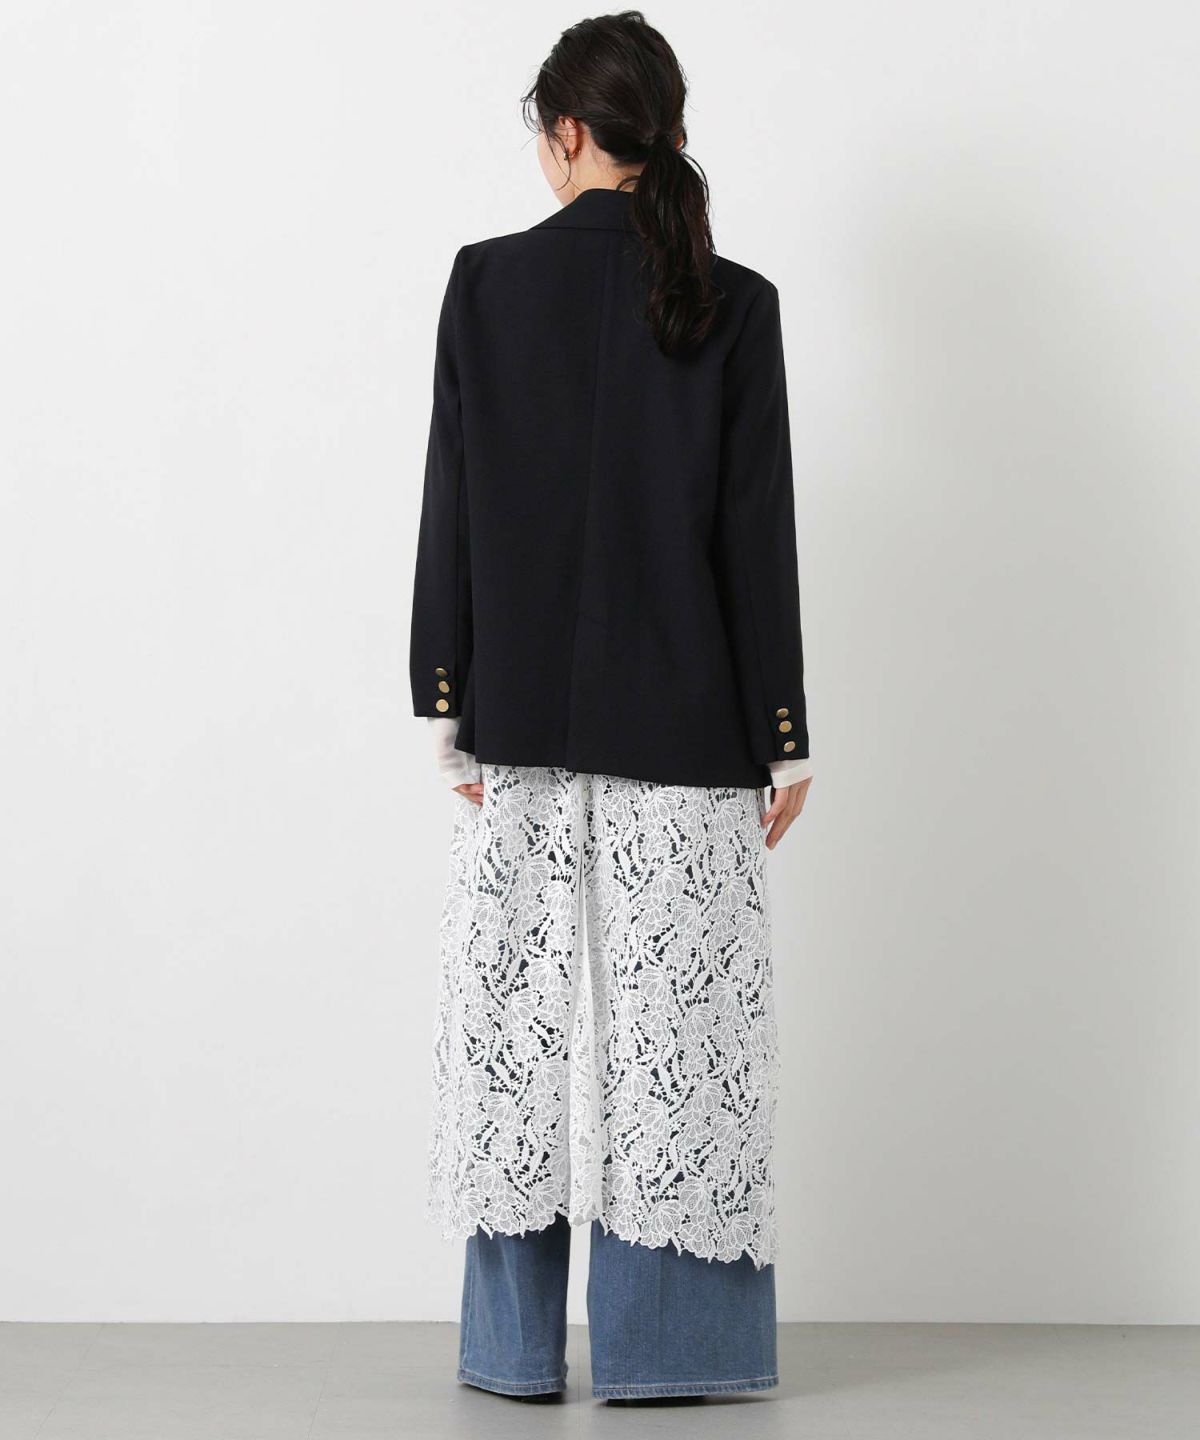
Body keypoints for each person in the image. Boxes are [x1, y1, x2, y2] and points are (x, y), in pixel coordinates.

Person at [409, 10, 812, 1406]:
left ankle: (515, 1353)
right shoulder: (734, 300)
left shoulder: (484, 282)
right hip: (689, 730)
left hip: (515, 728)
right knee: (675, 1047)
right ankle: (670, 1353)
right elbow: (755, 537)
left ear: (569, 133)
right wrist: (782, 738)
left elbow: (452, 502)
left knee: (519, 1037)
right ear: (667, 132)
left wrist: (445, 704)